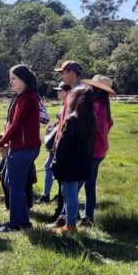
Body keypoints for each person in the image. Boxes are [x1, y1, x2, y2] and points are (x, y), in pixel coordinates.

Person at [0, 65, 42, 233]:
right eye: (10, 78)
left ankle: (14, 224)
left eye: (14, 78)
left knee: (14, 186)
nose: (11, 82)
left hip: (23, 148)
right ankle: (24, 221)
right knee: (9, 182)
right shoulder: (24, 97)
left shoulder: (26, 99)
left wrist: (2, 142)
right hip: (22, 147)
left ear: (24, 80)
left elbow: (16, 125)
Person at [48, 60, 94, 228]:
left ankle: (71, 225)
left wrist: (62, 147)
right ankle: (66, 221)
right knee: (67, 190)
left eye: (64, 72)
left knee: (69, 190)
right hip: (73, 148)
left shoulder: (81, 91)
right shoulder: (76, 90)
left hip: (71, 149)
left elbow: (72, 124)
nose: (62, 75)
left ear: (73, 72)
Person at [80, 75, 115, 227]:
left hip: (91, 151)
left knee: (75, 184)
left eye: (92, 87)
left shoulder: (95, 107)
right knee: (90, 185)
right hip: (100, 151)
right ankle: (88, 217)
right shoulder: (105, 107)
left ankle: (73, 216)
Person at [37, 82, 71, 204]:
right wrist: (53, 126)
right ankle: (56, 194)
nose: (58, 92)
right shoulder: (65, 105)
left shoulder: (69, 106)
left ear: (68, 92)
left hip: (59, 143)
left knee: (49, 167)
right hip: (56, 141)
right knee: (52, 168)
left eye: (60, 90)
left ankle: (47, 195)